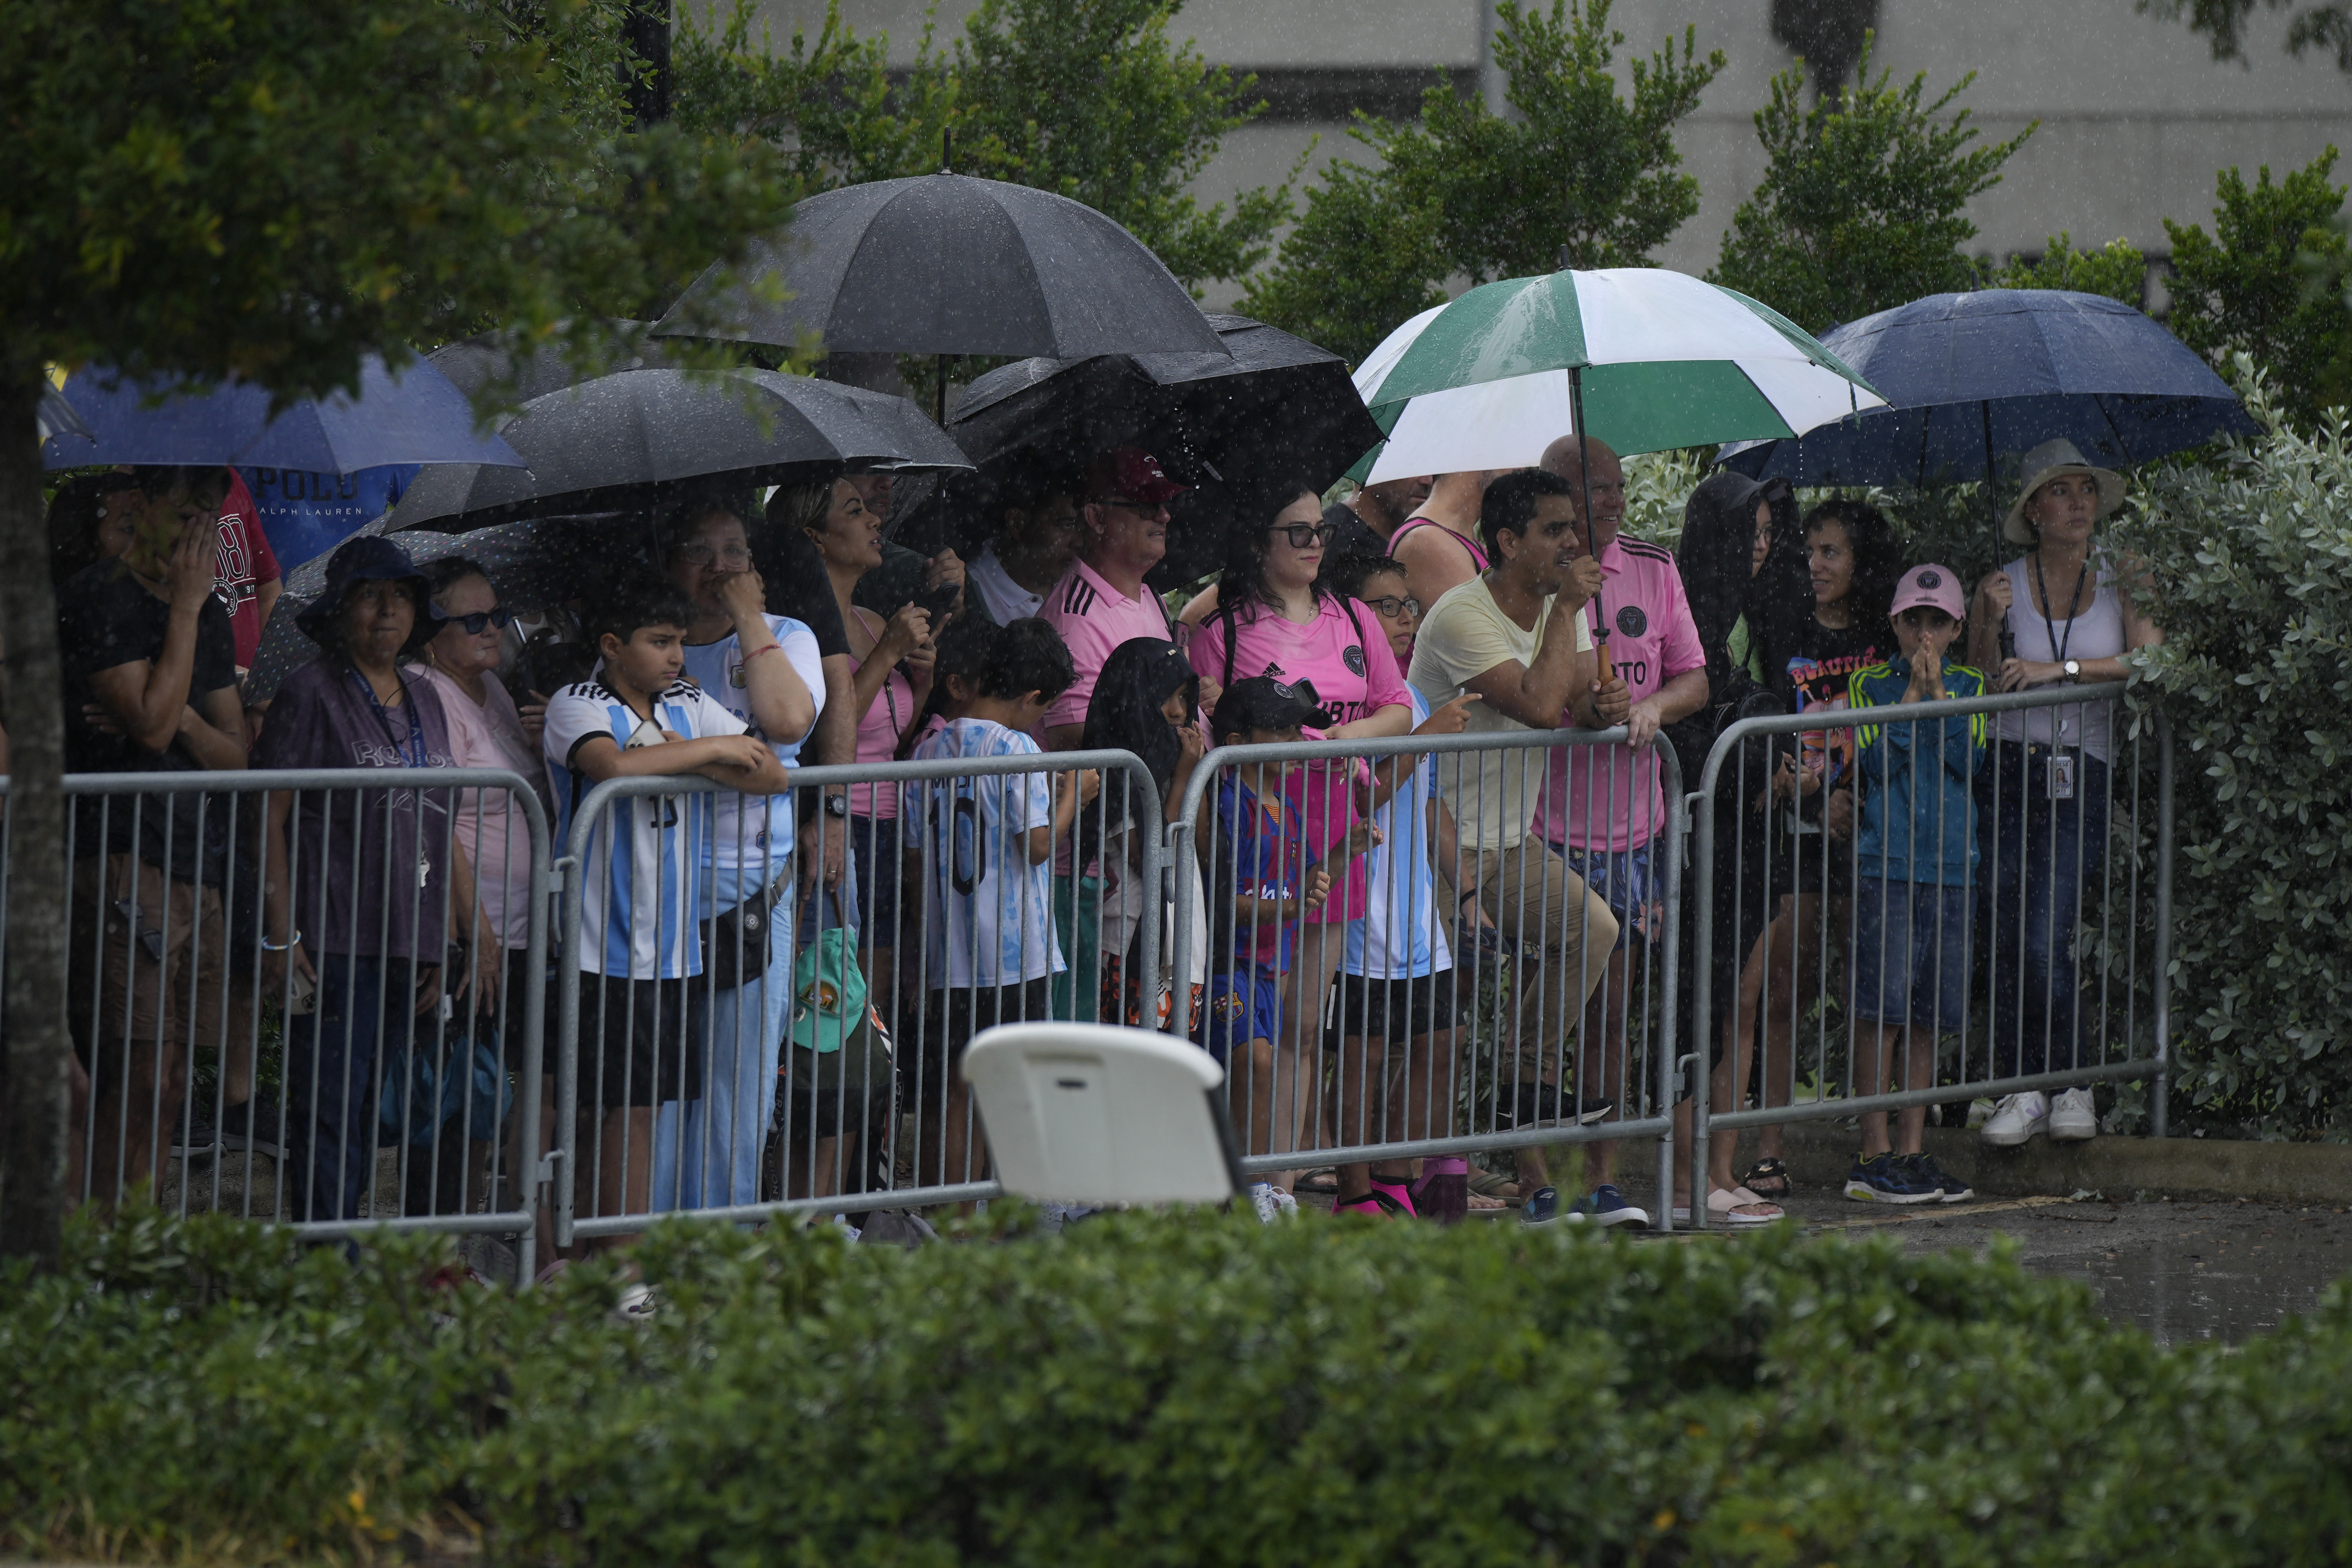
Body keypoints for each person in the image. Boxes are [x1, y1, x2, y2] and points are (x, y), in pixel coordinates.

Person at [539, 576, 792, 1244]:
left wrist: (686, 759)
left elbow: (770, 773)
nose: (677, 657)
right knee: (587, 1111)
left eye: (680, 641)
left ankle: (621, 1262)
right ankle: (579, 1257)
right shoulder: (579, 700)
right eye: (660, 643)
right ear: (612, 647)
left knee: (642, 1110)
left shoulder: (684, 700)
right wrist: (712, 752)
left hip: (673, 948)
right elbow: (613, 769)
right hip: (600, 945)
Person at [1406, 469, 1629, 1226]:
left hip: (1509, 841)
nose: (1573, 541)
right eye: (1555, 529)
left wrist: (1603, 706)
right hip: (1435, 845)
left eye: (1574, 527)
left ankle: (1519, 1088)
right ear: (1507, 542)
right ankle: (1385, 1170)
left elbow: (1570, 704)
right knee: (1437, 1019)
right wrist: (1567, 614)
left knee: (1592, 928)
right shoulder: (1461, 615)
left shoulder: (1562, 609)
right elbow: (1538, 704)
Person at [253, 535, 495, 1225]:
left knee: (368, 1110)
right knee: (327, 1106)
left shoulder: (425, 696)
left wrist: (468, 927)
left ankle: (348, 1255)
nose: (388, 610)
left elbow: (438, 816)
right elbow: (266, 817)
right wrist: (280, 936)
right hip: (330, 935)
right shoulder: (309, 692)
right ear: (341, 609)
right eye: (370, 594)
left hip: (406, 934)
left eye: (401, 595)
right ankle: (329, 1262)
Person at [1533, 436, 1727, 1219]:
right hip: (1548, 829)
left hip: (1636, 829)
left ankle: (1600, 1174)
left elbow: (1696, 676)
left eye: (1617, 488)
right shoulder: (1534, 575)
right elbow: (1530, 692)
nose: (1614, 501)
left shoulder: (1652, 563)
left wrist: (1649, 707)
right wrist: (1582, 704)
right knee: (1546, 1011)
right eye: (1598, 489)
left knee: (1614, 1007)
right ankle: (1537, 1178)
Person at [1188, 482, 1415, 1142]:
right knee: (1243, 1027)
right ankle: (1230, 1176)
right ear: (1259, 541)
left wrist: (1346, 739)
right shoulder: (1222, 629)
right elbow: (1207, 729)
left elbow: (1396, 706)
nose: (1316, 544)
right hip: (1253, 840)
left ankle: (1278, 1186)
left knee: (1304, 1027)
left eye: (1321, 531)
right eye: (1298, 532)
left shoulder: (1353, 616)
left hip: (1335, 832)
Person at [57, 465, 250, 1210]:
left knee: (171, 1080)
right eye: (189, 507)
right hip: (118, 855)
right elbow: (152, 724)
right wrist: (188, 609)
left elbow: (234, 753)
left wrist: (186, 721)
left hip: (194, 858)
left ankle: (142, 1238)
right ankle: (97, 1249)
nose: (203, 525)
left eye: (214, 510)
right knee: (129, 1072)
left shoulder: (210, 615)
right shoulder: (101, 595)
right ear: (144, 504)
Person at [1965, 438, 2161, 1147]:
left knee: (2050, 927)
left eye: (2085, 489)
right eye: (2061, 491)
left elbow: (2151, 659)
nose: (2079, 502)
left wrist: (2062, 668)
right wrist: (1985, 620)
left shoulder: (2123, 572)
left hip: (2082, 766)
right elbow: (1980, 685)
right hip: (2014, 766)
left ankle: (2071, 1081)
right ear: (2032, 510)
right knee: (2013, 927)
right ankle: (2023, 1087)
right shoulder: (2004, 582)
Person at [652, 497, 823, 1214]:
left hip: (755, 889)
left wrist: (749, 618)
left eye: (736, 552)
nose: (720, 568)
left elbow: (786, 724)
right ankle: (646, 1234)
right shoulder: (650, 644)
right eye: (701, 550)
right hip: (654, 885)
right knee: (655, 1077)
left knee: (738, 1077)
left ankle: (717, 1237)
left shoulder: (787, 634)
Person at [1729, 498, 1903, 1193]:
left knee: (1870, 991)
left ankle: (1875, 1145)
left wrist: (1851, 796)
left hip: (1867, 829)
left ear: (1861, 559)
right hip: (1796, 829)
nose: (1816, 562)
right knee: (1782, 992)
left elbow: (1896, 726)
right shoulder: (1782, 625)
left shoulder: (1882, 634)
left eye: (1832, 550)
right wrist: (1808, 794)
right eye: (1810, 549)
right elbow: (1766, 725)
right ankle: (1768, 1145)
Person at [904, 619, 1098, 1191]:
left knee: (956, 1086)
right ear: (1033, 697)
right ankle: (994, 1207)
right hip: (1013, 952)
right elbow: (1036, 846)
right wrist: (1073, 796)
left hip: (951, 948)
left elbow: (915, 858)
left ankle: (952, 1212)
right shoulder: (1019, 749)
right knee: (1006, 1083)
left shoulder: (930, 746)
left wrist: (928, 937)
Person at [1321, 556, 1480, 1222]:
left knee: (1438, 1042)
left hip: (1418, 913)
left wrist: (1466, 890)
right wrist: (1423, 738)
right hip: (1361, 909)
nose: (1407, 618)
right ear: (1354, 619)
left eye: (1408, 604)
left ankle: (1397, 1175)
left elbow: (1425, 804)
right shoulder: (1349, 705)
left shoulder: (1414, 699)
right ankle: (1356, 1192)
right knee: (1359, 1056)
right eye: (1387, 606)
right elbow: (1361, 800)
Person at [1667, 470, 1803, 1218]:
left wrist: (1783, 770)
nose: (1758, 547)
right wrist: (1747, 765)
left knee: (1744, 998)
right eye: (1746, 533)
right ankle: (1691, 1169)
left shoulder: (1762, 611)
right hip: (1705, 838)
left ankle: (1722, 1164)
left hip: (1758, 832)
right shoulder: (1684, 605)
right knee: (1705, 999)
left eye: (1765, 533)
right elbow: (1692, 732)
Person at [411, 557, 552, 1219]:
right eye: (472, 620)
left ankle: (469, 1242)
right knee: (456, 1100)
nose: (492, 629)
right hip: (469, 932)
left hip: (520, 928)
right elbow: (433, 817)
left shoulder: (490, 684)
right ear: (430, 632)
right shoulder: (424, 689)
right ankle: (430, 1254)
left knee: (497, 1093)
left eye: (495, 615)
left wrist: (546, 740)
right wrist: (476, 933)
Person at [1844, 564, 1986, 1204]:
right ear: (1896, 623)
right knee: (1881, 1012)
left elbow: (1970, 759)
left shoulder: (1974, 684)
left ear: (1957, 628)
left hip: (1953, 868)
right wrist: (1909, 701)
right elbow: (1873, 762)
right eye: (1913, 620)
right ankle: (1873, 1155)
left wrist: (1940, 701)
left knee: (1928, 1016)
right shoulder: (1868, 684)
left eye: (1938, 621)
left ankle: (1912, 1150)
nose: (1924, 634)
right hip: (1888, 866)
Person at [1199, 677, 1346, 1218]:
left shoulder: (1283, 806)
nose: (1293, 740)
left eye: (1296, 729)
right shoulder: (1224, 801)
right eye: (1279, 729)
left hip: (1266, 968)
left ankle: (1245, 1188)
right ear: (1238, 739)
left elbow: (1302, 879)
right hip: (1225, 964)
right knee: (1255, 1064)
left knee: (1257, 1070)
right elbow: (1222, 901)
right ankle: (1230, 1186)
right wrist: (1289, 908)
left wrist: (1346, 849)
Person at [789, 475, 937, 1012]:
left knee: (878, 976)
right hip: (838, 820)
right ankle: (824, 1090)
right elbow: (828, 722)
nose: (876, 520)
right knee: (830, 977)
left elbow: (888, 733)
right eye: (855, 512)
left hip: (889, 821)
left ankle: (872, 1088)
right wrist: (888, 656)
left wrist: (919, 684)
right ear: (815, 538)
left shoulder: (874, 621)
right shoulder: (800, 629)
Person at [1078, 637, 1209, 1033]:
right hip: (1128, 936)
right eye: (1164, 697)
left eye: (1185, 698)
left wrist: (1191, 773)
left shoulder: (1173, 755)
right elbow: (1150, 854)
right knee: (1127, 1056)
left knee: (1168, 1056)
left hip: (1180, 933)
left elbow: (1198, 840)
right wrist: (1185, 776)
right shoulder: (1115, 767)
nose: (1177, 711)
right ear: (1133, 698)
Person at [1040, 447, 1187, 750]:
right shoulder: (1074, 622)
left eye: (1164, 503)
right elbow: (1073, 744)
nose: (1164, 515)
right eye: (1146, 505)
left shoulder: (1150, 596)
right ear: (1096, 517)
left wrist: (1193, 697)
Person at [965, 469, 1081, 627]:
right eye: (1066, 525)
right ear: (1017, 523)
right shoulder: (969, 595)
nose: (1079, 542)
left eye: (1082, 526)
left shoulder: (1079, 581)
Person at [1388, 470, 1501, 624]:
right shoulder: (1425, 541)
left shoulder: (1462, 539)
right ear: (1478, 456)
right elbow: (1488, 634)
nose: (1519, 470)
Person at [214, 470, 284, 674]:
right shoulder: (129, 497)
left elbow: (269, 593)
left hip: (254, 688)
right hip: (195, 696)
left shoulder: (229, 479)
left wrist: (272, 673)